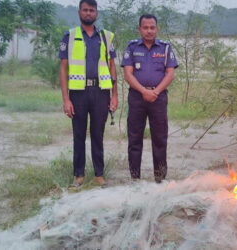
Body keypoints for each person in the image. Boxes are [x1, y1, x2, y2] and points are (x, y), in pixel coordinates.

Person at [59, 0, 117, 187]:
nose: (88, 13)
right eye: (85, 10)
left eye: (92, 10)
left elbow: (112, 67)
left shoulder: (106, 37)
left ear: (97, 13)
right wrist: (66, 99)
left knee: (97, 134)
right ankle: (79, 175)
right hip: (78, 93)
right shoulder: (70, 36)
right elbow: (63, 69)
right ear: (79, 12)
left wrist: (114, 95)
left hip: (101, 92)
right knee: (79, 135)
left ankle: (99, 175)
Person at [121, 14, 178, 183]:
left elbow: (170, 74)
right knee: (134, 138)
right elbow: (128, 74)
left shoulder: (165, 48)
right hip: (137, 98)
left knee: (160, 139)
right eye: (145, 27)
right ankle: (135, 178)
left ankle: (160, 178)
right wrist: (144, 91)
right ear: (139, 29)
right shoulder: (131, 47)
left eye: (152, 27)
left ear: (157, 29)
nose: (149, 31)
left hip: (158, 98)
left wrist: (155, 92)